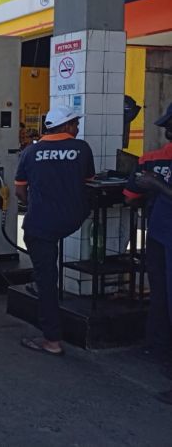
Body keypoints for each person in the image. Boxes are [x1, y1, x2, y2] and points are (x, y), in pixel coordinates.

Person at [15, 105, 96, 356]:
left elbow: (20, 191)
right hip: (72, 219)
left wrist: (36, 206)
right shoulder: (82, 148)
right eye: (75, 123)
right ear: (68, 126)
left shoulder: (30, 152)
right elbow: (89, 184)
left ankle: (52, 340)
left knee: (46, 281)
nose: (78, 127)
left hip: (41, 224)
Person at [123, 102, 172, 405]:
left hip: (161, 236)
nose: (166, 131)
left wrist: (157, 185)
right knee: (162, 297)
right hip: (159, 237)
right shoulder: (150, 159)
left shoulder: (152, 163)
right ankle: (160, 350)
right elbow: (131, 195)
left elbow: (131, 197)